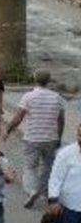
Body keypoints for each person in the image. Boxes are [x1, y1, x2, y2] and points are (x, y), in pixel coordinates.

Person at [6, 70, 65, 209]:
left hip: (32, 138)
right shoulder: (57, 98)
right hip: (50, 139)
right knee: (47, 166)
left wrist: (8, 129)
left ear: (35, 80)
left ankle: (31, 191)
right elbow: (61, 120)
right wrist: (59, 137)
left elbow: (19, 117)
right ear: (48, 81)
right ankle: (44, 192)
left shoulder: (28, 97)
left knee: (30, 166)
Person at [47, 123, 81, 223]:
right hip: (70, 207)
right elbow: (55, 178)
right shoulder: (66, 154)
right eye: (80, 134)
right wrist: (53, 199)